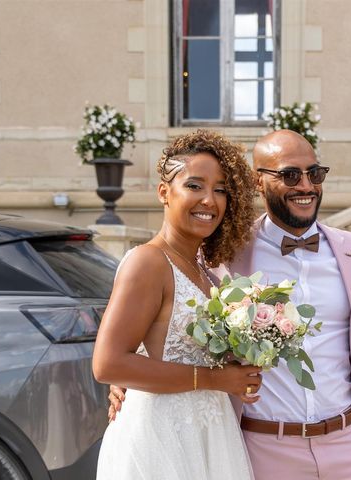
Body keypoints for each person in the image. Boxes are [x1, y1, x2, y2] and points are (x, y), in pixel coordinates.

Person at [109, 129, 351, 480]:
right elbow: (165, 313)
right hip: (263, 448)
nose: (305, 185)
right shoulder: (222, 255)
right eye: (290, 175)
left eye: (314, 173)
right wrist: (126, 377)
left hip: (350, 446)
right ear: (258, 182)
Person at [93, 130, 261, 480]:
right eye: (195, 186)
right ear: (164, 192)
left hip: (208, 434)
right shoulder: (148, 262)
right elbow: (107, 364)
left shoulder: (206, 271)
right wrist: (216, 380)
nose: (209, 201)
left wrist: (237, 370)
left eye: (220, 190)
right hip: (160, 440)